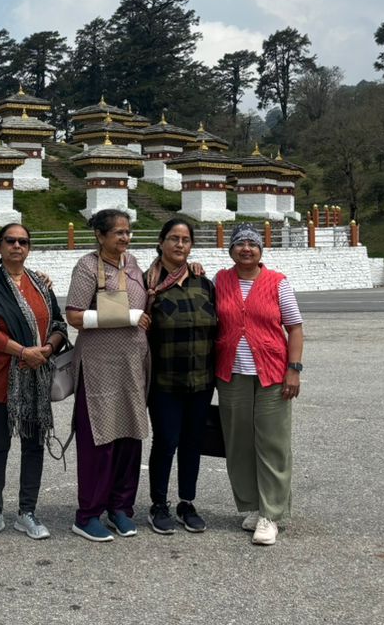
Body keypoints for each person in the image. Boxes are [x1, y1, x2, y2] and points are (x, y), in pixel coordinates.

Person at [0, 223, 69, 541]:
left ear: (29, 248)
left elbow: (59, 323)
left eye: (23, 242)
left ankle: (27, 512)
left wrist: (46, 348)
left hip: (37, 375)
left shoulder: (41, 284)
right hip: (3, 375)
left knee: (33, 445)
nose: (17, 246)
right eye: (10, 241)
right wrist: (22, 351)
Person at [214, 222, 305, 546]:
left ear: (260, 250)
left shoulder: (277, 282)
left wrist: (293, 370)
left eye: (252, 244)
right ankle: (252, 505)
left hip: (271, 374)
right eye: (240, 244)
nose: (246, 249)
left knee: (273, 443)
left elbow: (294, 327)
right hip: (231, 373)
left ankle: (271, 513)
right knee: (238, 443)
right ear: (232, 250)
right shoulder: (220, 280)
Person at [65, 208, 151, 542]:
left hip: (132, 364)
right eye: (118, 233)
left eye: (128, 232)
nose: (125, 238)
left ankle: (120, 508)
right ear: (100, 236)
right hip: (99, 366)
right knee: (99, 439)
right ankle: (87, 514)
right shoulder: (87, 266)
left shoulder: (133, 264)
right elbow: (74, 315)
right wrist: (127, 317)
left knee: (130, 438)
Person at [144, 217, 217, 534]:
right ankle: (158, 503)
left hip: (201, 379)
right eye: (173, 238)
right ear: (161, 243)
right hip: (164, 381)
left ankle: (187, 502)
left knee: (192, 441)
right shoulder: (147, 284)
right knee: (166, 441)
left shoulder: (204, 282)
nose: (179, 245)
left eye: (185, 240)